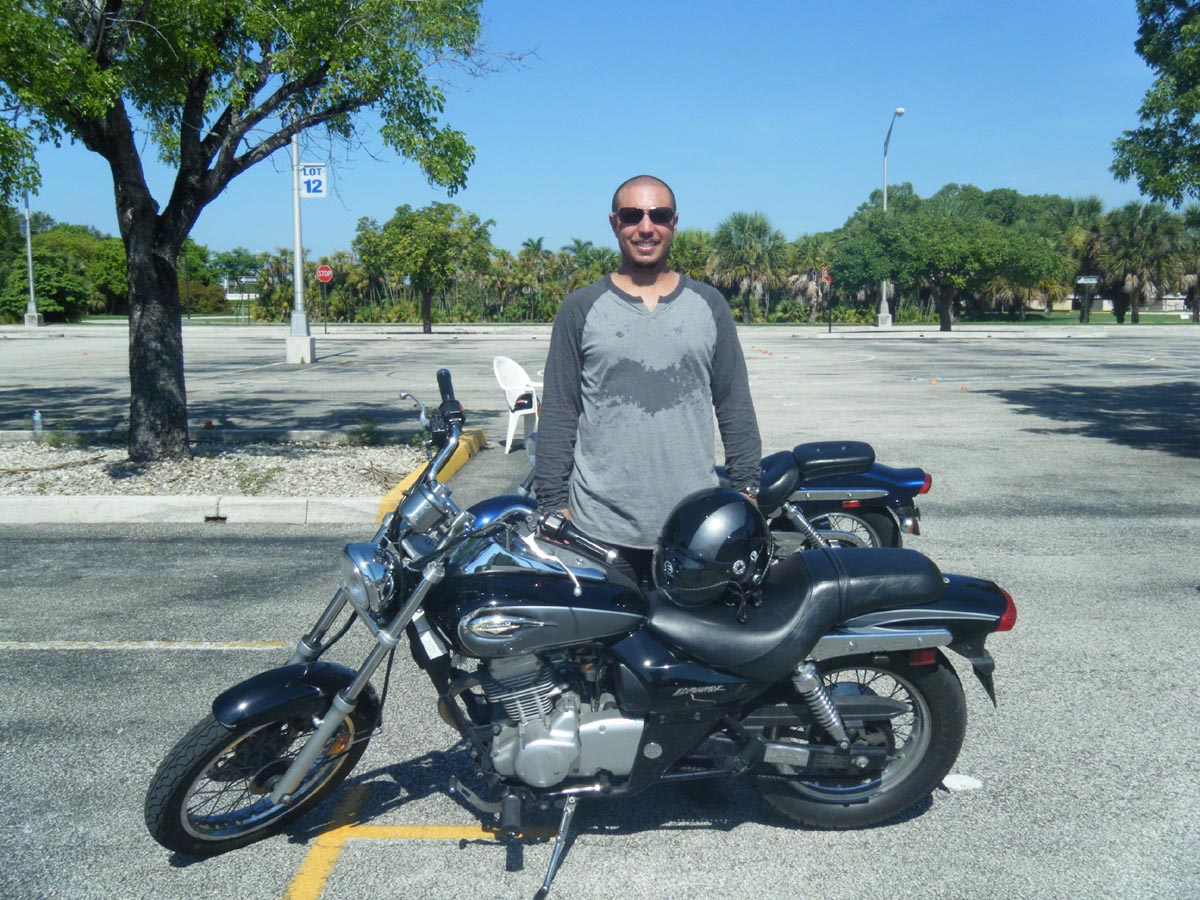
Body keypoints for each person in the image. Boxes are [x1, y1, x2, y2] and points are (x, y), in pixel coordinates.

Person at [534, 174, 762, 582]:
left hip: (694, 528)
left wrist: (746, 490)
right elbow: (559, 411)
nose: (645, 227)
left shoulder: (709, 305)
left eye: (658, 215)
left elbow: (733, 403)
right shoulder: (581, 308)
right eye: (631, 215)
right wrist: (552, 502)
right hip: (597, 529)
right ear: (614, 223)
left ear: (674, 222)